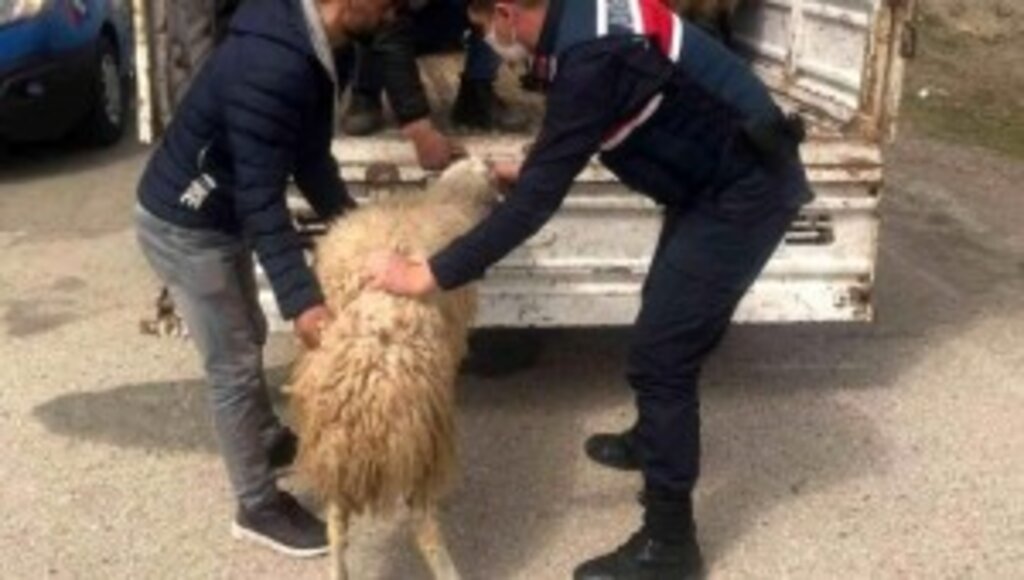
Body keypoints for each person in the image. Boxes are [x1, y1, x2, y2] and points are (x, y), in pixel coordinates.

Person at [365, 0, 812, 578]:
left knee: (661, 356)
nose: (489, 43)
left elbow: (533, 209)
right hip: (711, 180)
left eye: (482, 29)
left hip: (743, 192)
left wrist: (427, 274)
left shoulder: (593, 54)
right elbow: (581, 124)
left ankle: (669, 543)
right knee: (663, 313)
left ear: (504, 13)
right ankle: (654, 439)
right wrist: (535, 163)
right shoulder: (580, 21)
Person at [135, 0, 399, 559]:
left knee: (248, 332)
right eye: (389, 0)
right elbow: (263, 198)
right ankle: (256, 505)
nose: (394, 12)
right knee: (231, 362)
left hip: (221, 215)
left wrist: (357, 227)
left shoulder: (317, 50)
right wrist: (303, 300)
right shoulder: (272, 64)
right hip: (185, 224)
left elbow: (309, 158)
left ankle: (263, 436)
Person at [341, 0, 529, 169]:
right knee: (372, 18)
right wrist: (418, 127)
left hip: (445, 15)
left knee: (492, 10)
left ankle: (476, 94)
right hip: (394, 17)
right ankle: (365, 93)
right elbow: (390, 36)